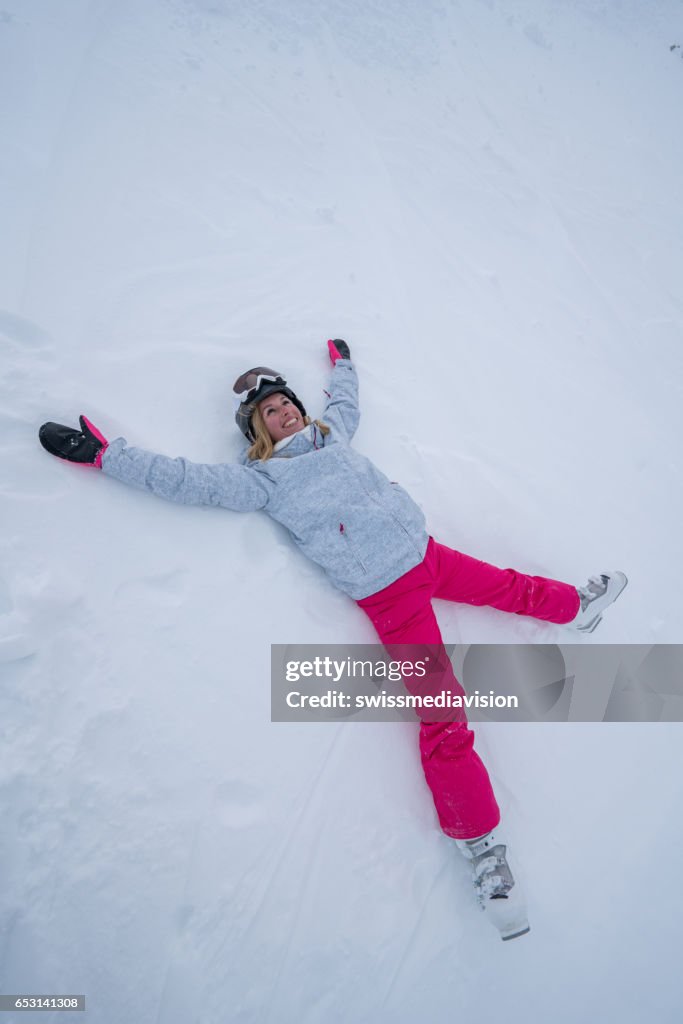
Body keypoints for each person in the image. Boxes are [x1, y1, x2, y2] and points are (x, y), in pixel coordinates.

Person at [38, 339, 627, 940]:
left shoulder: (333, 434)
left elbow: (346, 401)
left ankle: (576, 609)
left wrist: (343, 364)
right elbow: (189, 481)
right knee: (443, 714)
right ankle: (484, 853)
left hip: (427, 555)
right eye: (267, 411)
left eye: (284, 401)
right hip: (388, 594)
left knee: (509, 587)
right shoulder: (266, 480)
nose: (282, 411)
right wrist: (109, 457)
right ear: (257, 432)